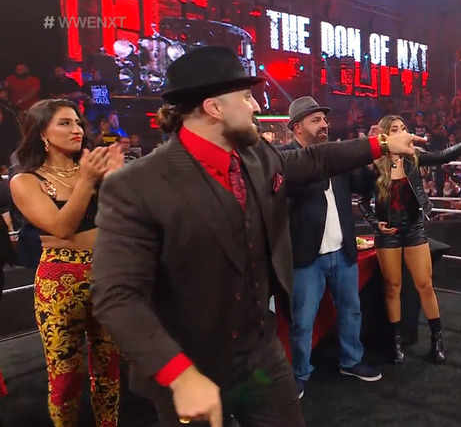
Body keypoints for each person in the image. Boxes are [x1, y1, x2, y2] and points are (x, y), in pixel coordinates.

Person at [89, 46, 424, 427]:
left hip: (258, 350)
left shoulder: (256, 156)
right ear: (214, 108)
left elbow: (316, 159)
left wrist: (381, 144)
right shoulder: (136, 185)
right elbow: (116, 296)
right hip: (187, 361)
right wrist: (177, 373)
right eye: (247, 97)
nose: (256, 107)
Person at [8, 99, 123, 427]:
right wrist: (87, 181)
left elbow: (127, 219)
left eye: (77, 123)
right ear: (42, 132)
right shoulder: (25, 180)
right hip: (60, 280)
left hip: (107, 272)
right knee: (65, 377)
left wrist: (116, 179)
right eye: (65, 123)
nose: (77, 130)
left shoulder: (95, 170)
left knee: (109, 370)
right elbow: (61, 227)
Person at [356, 116, 461, 364]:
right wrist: (376, 224)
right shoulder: (374, 166)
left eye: (403, 128)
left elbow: (441, 156)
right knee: (393, 287)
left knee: (425, 285)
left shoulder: (413, 157)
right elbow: (363, 201)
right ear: (385, 135)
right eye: (395, 129)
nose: (402, 132)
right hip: (388, 233)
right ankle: (396, 342)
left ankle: (437, 341)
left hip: (413, 227)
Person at [279, 96, 382, 399]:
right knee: (302, 321)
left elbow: (362, 185)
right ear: (297, 127)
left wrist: (370, 163)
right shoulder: (285, 159)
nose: (324, 125)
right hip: (306, 255)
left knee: (351, 310)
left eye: (324, 120)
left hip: (342, 250)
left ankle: (351, 360)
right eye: (316, 120)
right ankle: (299, 373)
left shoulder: (335, 156)